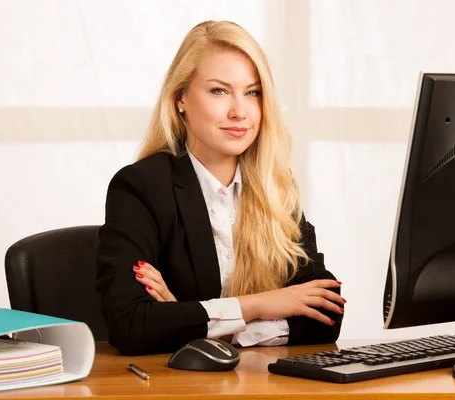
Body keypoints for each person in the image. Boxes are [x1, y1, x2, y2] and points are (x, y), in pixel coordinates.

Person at [95, 20, 345, 356]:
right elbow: (131, 325)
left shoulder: (276, 187)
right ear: (180, 98)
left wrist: (197, 322)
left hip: (259, 386)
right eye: (219, 91)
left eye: (252, 92)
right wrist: (261, 305)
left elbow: (326, 316)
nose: (239, 111)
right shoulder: (141, 187)